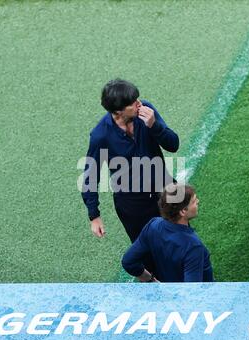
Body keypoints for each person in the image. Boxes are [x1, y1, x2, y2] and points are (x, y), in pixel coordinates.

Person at [81, 79, 179, 259]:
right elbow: (90, 176)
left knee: (182, 241)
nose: (139, 103)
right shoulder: (101, 136)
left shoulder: (146, 112)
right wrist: (94, 215)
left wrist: (154, 125)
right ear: (118, 111)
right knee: (150, 254)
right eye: (132, 103)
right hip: (133, 204)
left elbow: (173, 145)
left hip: (165, 188)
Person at [121, 183, 214, 282]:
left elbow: (128, 262)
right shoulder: (193, 246)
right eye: (194, 201)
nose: (198, 202)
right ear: (183, 211)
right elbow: (191, 292)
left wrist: (151, 280)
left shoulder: (153, 226)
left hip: (168, 292)